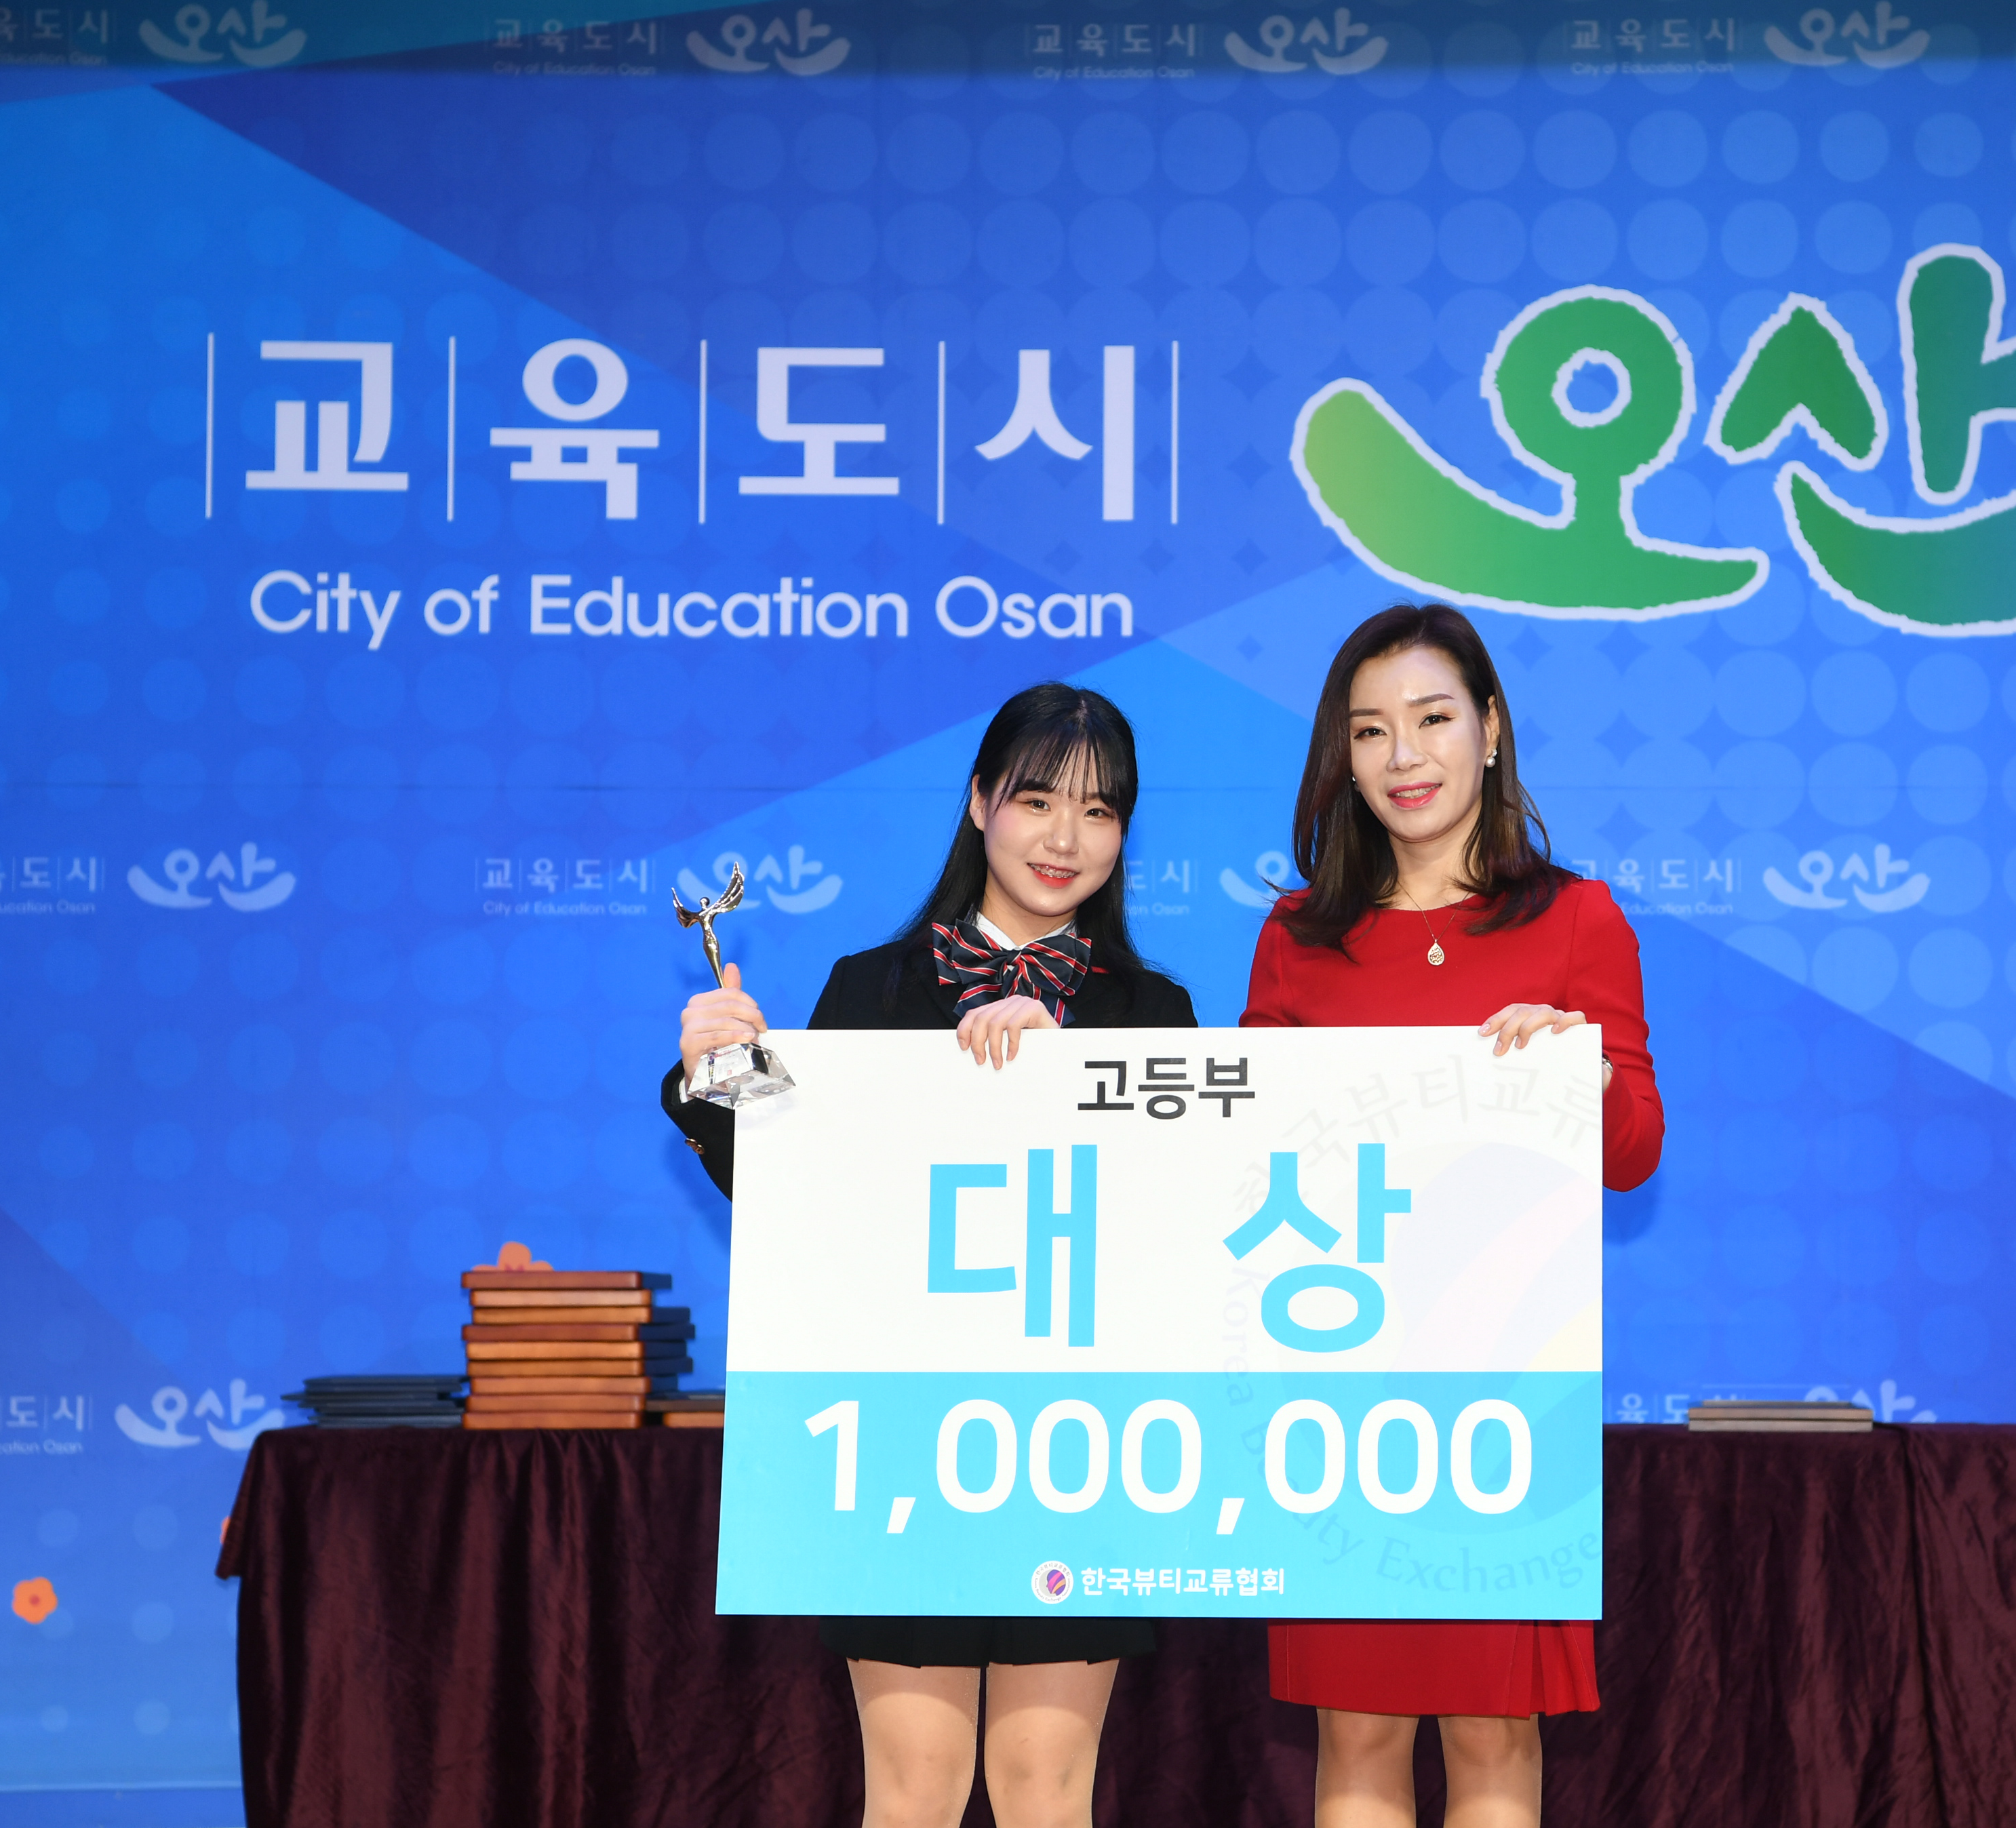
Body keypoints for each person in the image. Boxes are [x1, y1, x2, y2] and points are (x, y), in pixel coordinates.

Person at [663, 682, 1196, 1828]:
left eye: (1099, 811)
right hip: (903, 1441)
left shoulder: (1154, 1013)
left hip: (1079, 1444)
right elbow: (798, 1201)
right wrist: (714, 1075)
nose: (1065, 837)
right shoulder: (872, 988)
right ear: (979, 802)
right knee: (911, 1793)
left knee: (1048, 1793)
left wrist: (1068, 1071)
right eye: (1038, 800)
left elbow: (1183, 1236)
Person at [1241, 603, 1664, 1828]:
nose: (1404, 755)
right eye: (1371, 730)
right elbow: (1247, 1150)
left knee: (1493, 1732)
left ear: (1490, 727)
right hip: (1336, 1392)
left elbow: (1635, 1154)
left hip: (1501, 1397)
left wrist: (1577, 1071)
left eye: (1431, 719)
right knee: (1357, 1731)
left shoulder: (1577, 919)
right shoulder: (1297, 936)